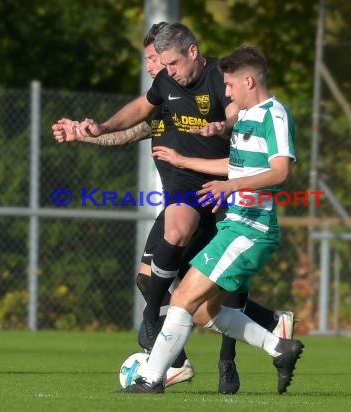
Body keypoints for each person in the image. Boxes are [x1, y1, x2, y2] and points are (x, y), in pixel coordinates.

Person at [52, 23, 295, 394]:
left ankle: (158, 370)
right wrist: (93, 131)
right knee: (192, 304)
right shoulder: (167, 88)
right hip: (216, 205)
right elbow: (132, 127)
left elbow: (269, 162)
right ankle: (274, 340)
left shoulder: (255, 107)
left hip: (235, 215)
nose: (158, 68)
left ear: (193, 53)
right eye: (153, 60)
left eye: (162, 60)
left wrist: (220, 139)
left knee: (191, 294)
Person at [119, 45, 304, 394]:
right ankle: (279, 347)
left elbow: (280, 172)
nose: (227, 94)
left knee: (181, 300)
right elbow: (235, 167)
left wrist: (231, 186)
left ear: (249, 81)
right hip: (235, 227)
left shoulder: (274, 116)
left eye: (231, 86)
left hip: (251, 229)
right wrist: (184, 161)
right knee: (205, 313)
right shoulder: (247, 117)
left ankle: (149, 379)